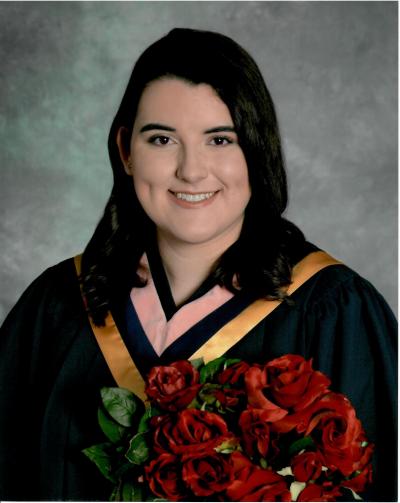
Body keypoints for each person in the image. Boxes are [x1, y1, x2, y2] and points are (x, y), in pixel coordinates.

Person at [0, 28, 396, 502]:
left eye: (220, 140)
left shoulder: (335, 313)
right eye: (162, 139)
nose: (191, 170)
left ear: (257, 149)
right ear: (127, 151)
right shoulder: (54, 309)